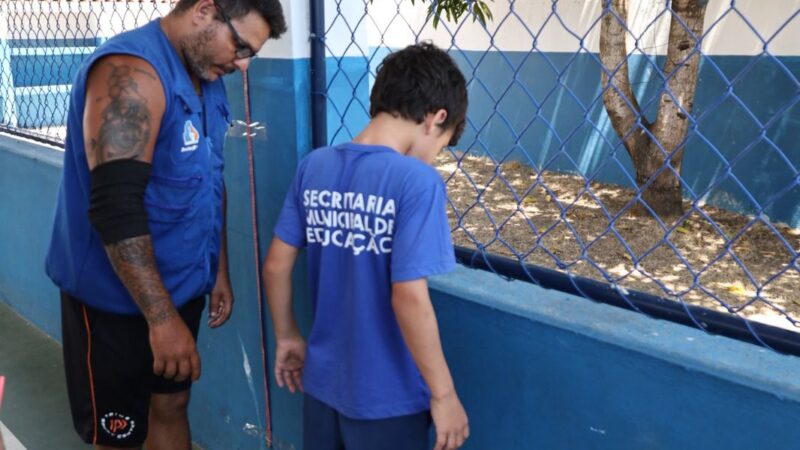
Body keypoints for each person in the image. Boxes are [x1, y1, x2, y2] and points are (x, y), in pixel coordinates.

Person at [44, 1, 286, 448]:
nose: (242, 64)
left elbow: (208, 177)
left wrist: (216, 269)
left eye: (250, 53)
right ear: (204, 10)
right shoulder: (131, 74)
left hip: (181, 285)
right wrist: (161, 320)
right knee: (121, 435)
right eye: (240, 46)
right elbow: (115, 207)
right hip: (112, 299)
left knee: (171, 405)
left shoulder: (208, 76)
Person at [263, 42, 470, 450]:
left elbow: (275, 265)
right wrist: (444, 395)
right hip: (387, 400)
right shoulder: (416, 181)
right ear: (436, 118)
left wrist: (287, 336)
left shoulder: (315, 165)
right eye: (442, 145)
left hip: (321, 386)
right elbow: (409, 297)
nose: (433, 159)